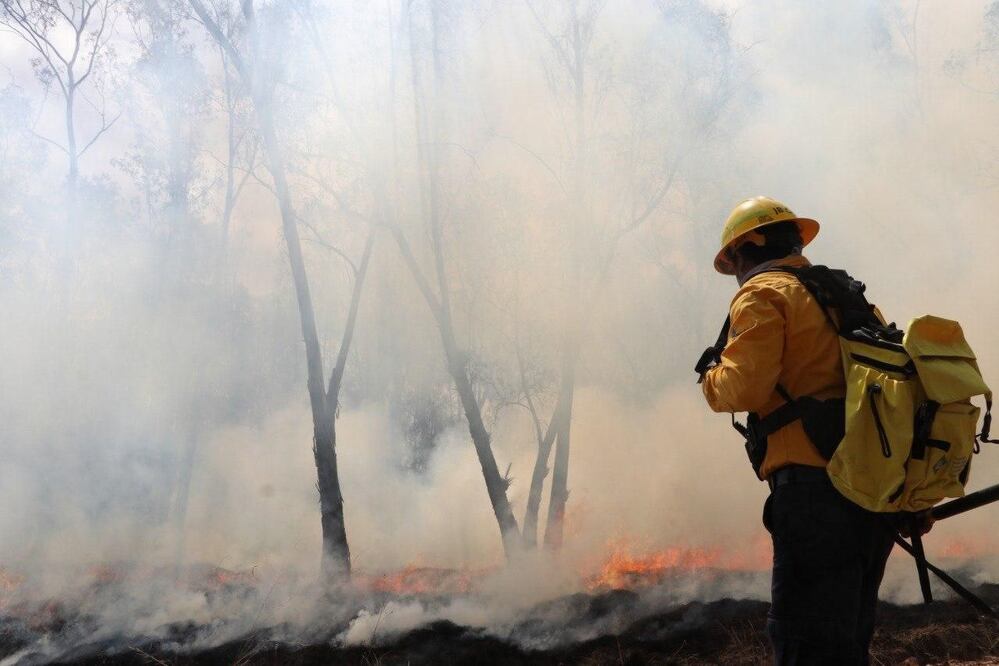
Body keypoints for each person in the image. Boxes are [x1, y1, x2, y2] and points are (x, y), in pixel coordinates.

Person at [698, 196, 897, 665]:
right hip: (872, 495)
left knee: (804, 644)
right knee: (847, 645)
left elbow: (744, 387)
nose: (736, 274)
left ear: (747, 249)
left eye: (734, 262)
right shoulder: (847, 296)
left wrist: (711, 378)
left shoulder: (763, 294)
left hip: (813, 499)